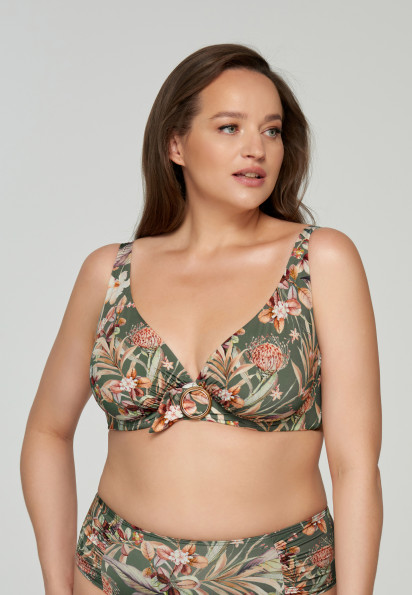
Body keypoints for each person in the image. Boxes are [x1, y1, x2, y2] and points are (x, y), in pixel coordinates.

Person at [20, 43, 383, 595]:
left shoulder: (320, 260)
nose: (256, 149)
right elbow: (47, 431)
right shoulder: (109, 272)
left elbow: (356, 466)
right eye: (230, 127)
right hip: (115, 573)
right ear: (176, 144)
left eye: (271, 130)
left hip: (280, 580)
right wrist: (57, 586)